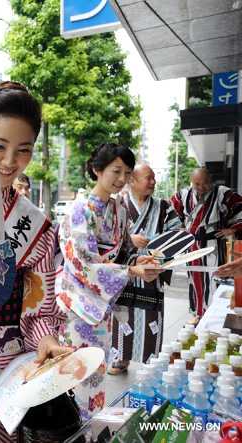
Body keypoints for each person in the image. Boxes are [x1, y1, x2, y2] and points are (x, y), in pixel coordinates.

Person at [0, 81, 70, 442]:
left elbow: (37, 306)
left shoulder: (35, 226)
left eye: (23, 150)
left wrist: (47, 338)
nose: (10, 162)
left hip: (5, 364)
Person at [57, 143, 164, 418]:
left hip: (101, 306)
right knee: (75, 371)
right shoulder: (79, 210)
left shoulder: (119, 211)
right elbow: (82, 262)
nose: (121, 179)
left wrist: (137, 262)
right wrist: (129, 271)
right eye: (116, 171)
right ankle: (73, 425)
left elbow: (123, 254)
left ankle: (92, 425)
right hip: (78, 304)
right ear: (96, 170)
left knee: (97, 370)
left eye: (127, 173)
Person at [109, 164, 182, 374]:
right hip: (127, 271)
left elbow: (178, 233)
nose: (153, 182)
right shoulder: (118, 205)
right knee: (124, 315)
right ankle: (122, 357)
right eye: (148, 178)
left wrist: (158, 246)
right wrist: (129, 239)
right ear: (132, 180)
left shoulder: (163, 206)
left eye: (154, 178)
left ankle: (152, 358)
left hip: (153, 270)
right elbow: (106, 237)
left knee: (151, 316)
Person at [170, 168, 242, 325]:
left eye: (205, 183)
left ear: (211, 180)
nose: (201, 187)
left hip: (215, 243)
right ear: (191, 182)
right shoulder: (183, 195)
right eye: (197, 183)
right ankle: (198, 313)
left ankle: (217, 314)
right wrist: (179, 228)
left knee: (216, 278)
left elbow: (240, 209)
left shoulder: (224, 193)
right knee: (195, 280)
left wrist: (231, 229)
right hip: (192, 244)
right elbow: (171, 214)